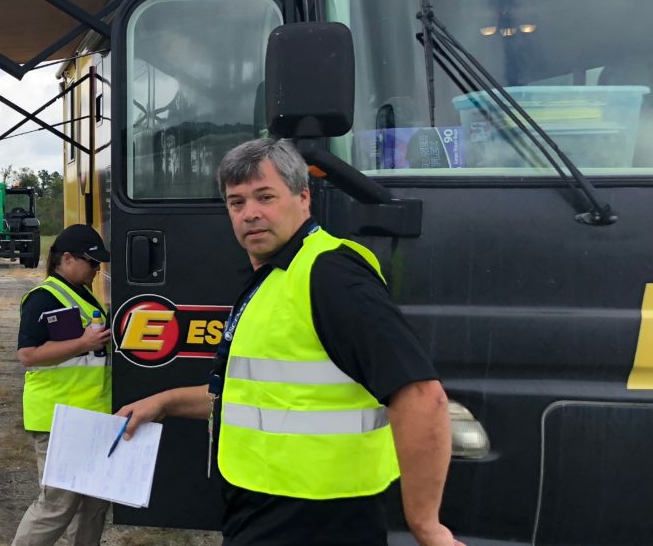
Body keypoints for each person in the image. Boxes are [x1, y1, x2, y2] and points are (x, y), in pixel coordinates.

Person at [115, 138, 462, 546]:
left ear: (303, 197)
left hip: (317, 521)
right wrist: (165, 402)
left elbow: (422, 397)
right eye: (237, 202)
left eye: (265, 197)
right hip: (264, 509)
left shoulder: (330, 274)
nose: (250, 213)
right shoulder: (275, 277)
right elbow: (251, 397)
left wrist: (426, 525)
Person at [11, 224, 113, 546]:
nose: (97, 270)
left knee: (93, 505)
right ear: (67, 258)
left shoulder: (85, 295)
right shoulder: (42, 299)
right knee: (57, 505)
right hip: (59, 418)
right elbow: (28, 355)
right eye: (92, 262)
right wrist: (83, 343)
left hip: (92, 414)